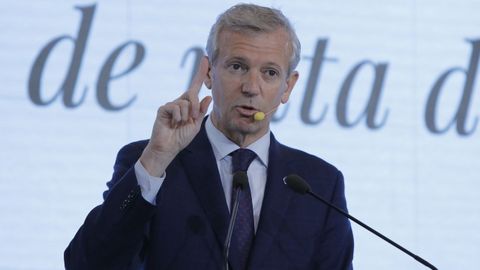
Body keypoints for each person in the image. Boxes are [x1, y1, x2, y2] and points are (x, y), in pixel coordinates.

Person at [65, 3, 354, 270]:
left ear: (288, 87)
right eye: (237, 66)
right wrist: (156, 159)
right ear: (208, 73)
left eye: (269, 73)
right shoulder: (151, 162)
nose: (251, 87)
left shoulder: (319, 185)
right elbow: (87, 263)